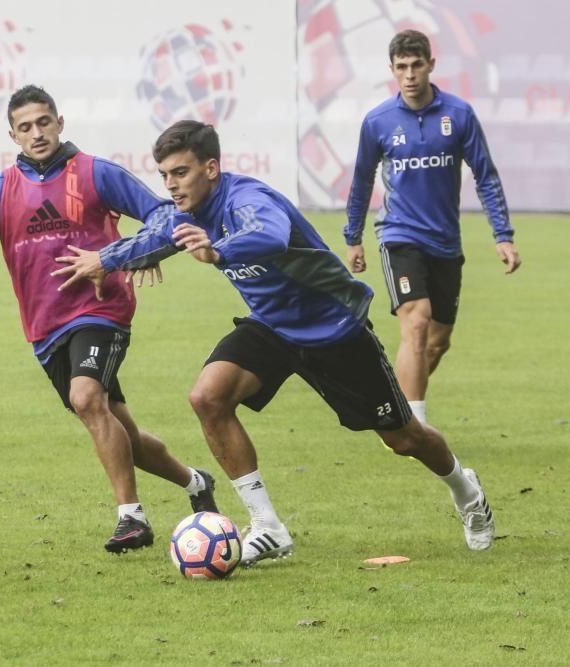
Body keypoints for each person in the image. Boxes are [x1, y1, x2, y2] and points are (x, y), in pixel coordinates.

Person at [53, 120, 495, 565]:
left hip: (333, 329)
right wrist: (105, 260)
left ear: (211, 168)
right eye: (165, 174)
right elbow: (156, 237)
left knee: (404, 439)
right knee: (208, 397)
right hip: (272, 327)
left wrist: (219, 251)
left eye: (181, 172)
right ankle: (267, 527)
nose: (171, 184)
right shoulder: (184, 213)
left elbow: (269, 235)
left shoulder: (249, 199)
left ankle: (466, 489)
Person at [0, 85, 218, 554]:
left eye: (44, 122)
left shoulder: (96, 173)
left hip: (101, 311)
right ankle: (196, 481)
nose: (36, 133)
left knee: (86, 398)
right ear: (12, 134)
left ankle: (131, 519)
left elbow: (163, 215)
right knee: (124, 433)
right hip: (44, 327)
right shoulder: (0, 189)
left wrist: (125, 255)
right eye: (25, 127)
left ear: (60, 122)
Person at [344, 29, 521, 426]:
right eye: (401, 67)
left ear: (430, 65)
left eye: (416, 65)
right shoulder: (378, 122)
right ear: (391, 70)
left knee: (436, 342)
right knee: (417, 319)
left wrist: (503, 235)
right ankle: (415, 429)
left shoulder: (458, 115)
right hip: (399, 235)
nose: (409, 74)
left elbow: (486, 177)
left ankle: (397, 402)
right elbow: (361, 182)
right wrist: (353, 238)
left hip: (445, 241)